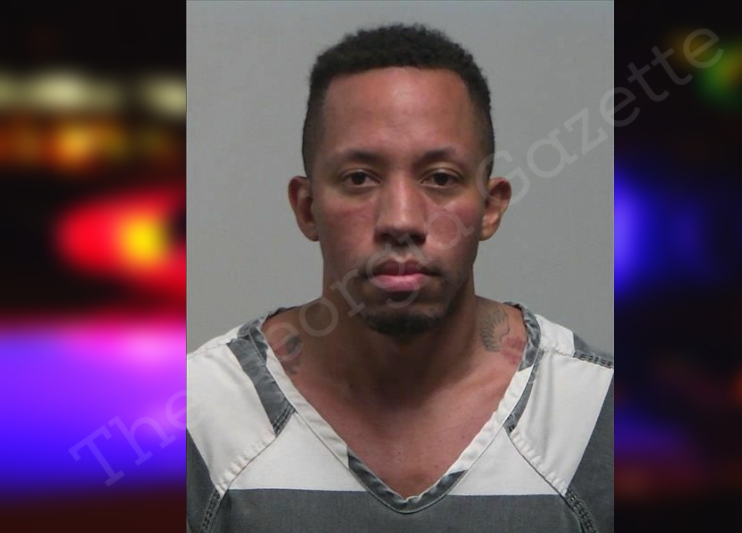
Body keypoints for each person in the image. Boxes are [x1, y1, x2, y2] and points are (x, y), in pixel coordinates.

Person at [187, 23, 613, 533]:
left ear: (490, 208)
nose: (402, 220)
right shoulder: (201, 419)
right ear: (307, 207)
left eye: (441, 178)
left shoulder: (594, 417)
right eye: (359, 178)